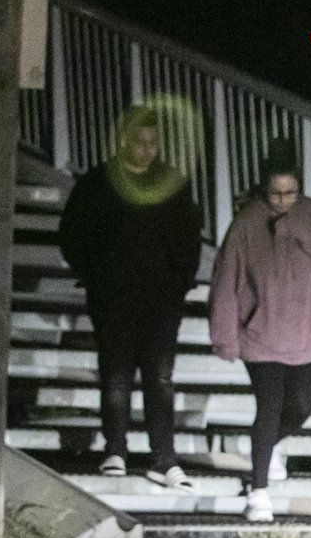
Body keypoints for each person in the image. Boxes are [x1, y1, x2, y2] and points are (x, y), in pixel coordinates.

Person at [58, 104, 203, 490]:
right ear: (123, 140)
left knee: (160, 378)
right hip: (113, 297)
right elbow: (72, 233)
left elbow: (190, 235)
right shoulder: (100, 182)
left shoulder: (171, 183)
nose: (146, 149)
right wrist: (93, 274)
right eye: (139, 142)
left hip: (161, 300)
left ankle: (163, 458)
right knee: (116, 377)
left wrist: (179, 282)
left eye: (152, 143)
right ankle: (116, 450)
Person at [208, 139, 311, 522]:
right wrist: (225, 335)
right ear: (263, 190)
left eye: (291, 193)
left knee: (300, 408)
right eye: (276, 194)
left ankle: (262, 448)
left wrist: (298, 229)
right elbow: (225, 279)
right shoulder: (247, 222)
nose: (284, 200)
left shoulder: (309, 214)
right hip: (260, 335)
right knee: (268, 408)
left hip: (304, 335)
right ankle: (258, 491)